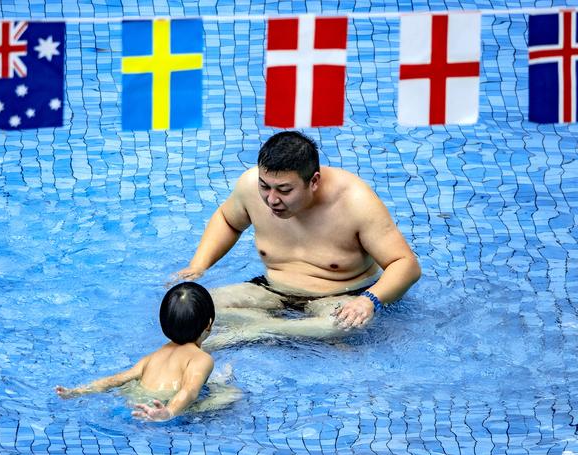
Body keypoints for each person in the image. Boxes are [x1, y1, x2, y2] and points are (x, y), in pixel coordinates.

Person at [175, 131, 421, 345]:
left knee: (342, 325)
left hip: (336, 298)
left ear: (313, 181)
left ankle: (257, 330)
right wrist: (199, 265)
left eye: (284, 190)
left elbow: (406, 265)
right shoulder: (250, 186)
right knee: (196, 307)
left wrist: (368, 301)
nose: (271, 199)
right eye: (265, 186)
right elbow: (228, 220)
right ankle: (273, 328)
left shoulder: (355, 202)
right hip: (270, 290)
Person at [55, 282, 220, 421]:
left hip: (133, 398)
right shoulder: (201, 359)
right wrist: (169, 412)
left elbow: (118, 379)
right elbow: (190, 390)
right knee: (229, 396)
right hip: (164, 402)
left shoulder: (154, 356)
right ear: (209, 323)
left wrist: (79, 391)